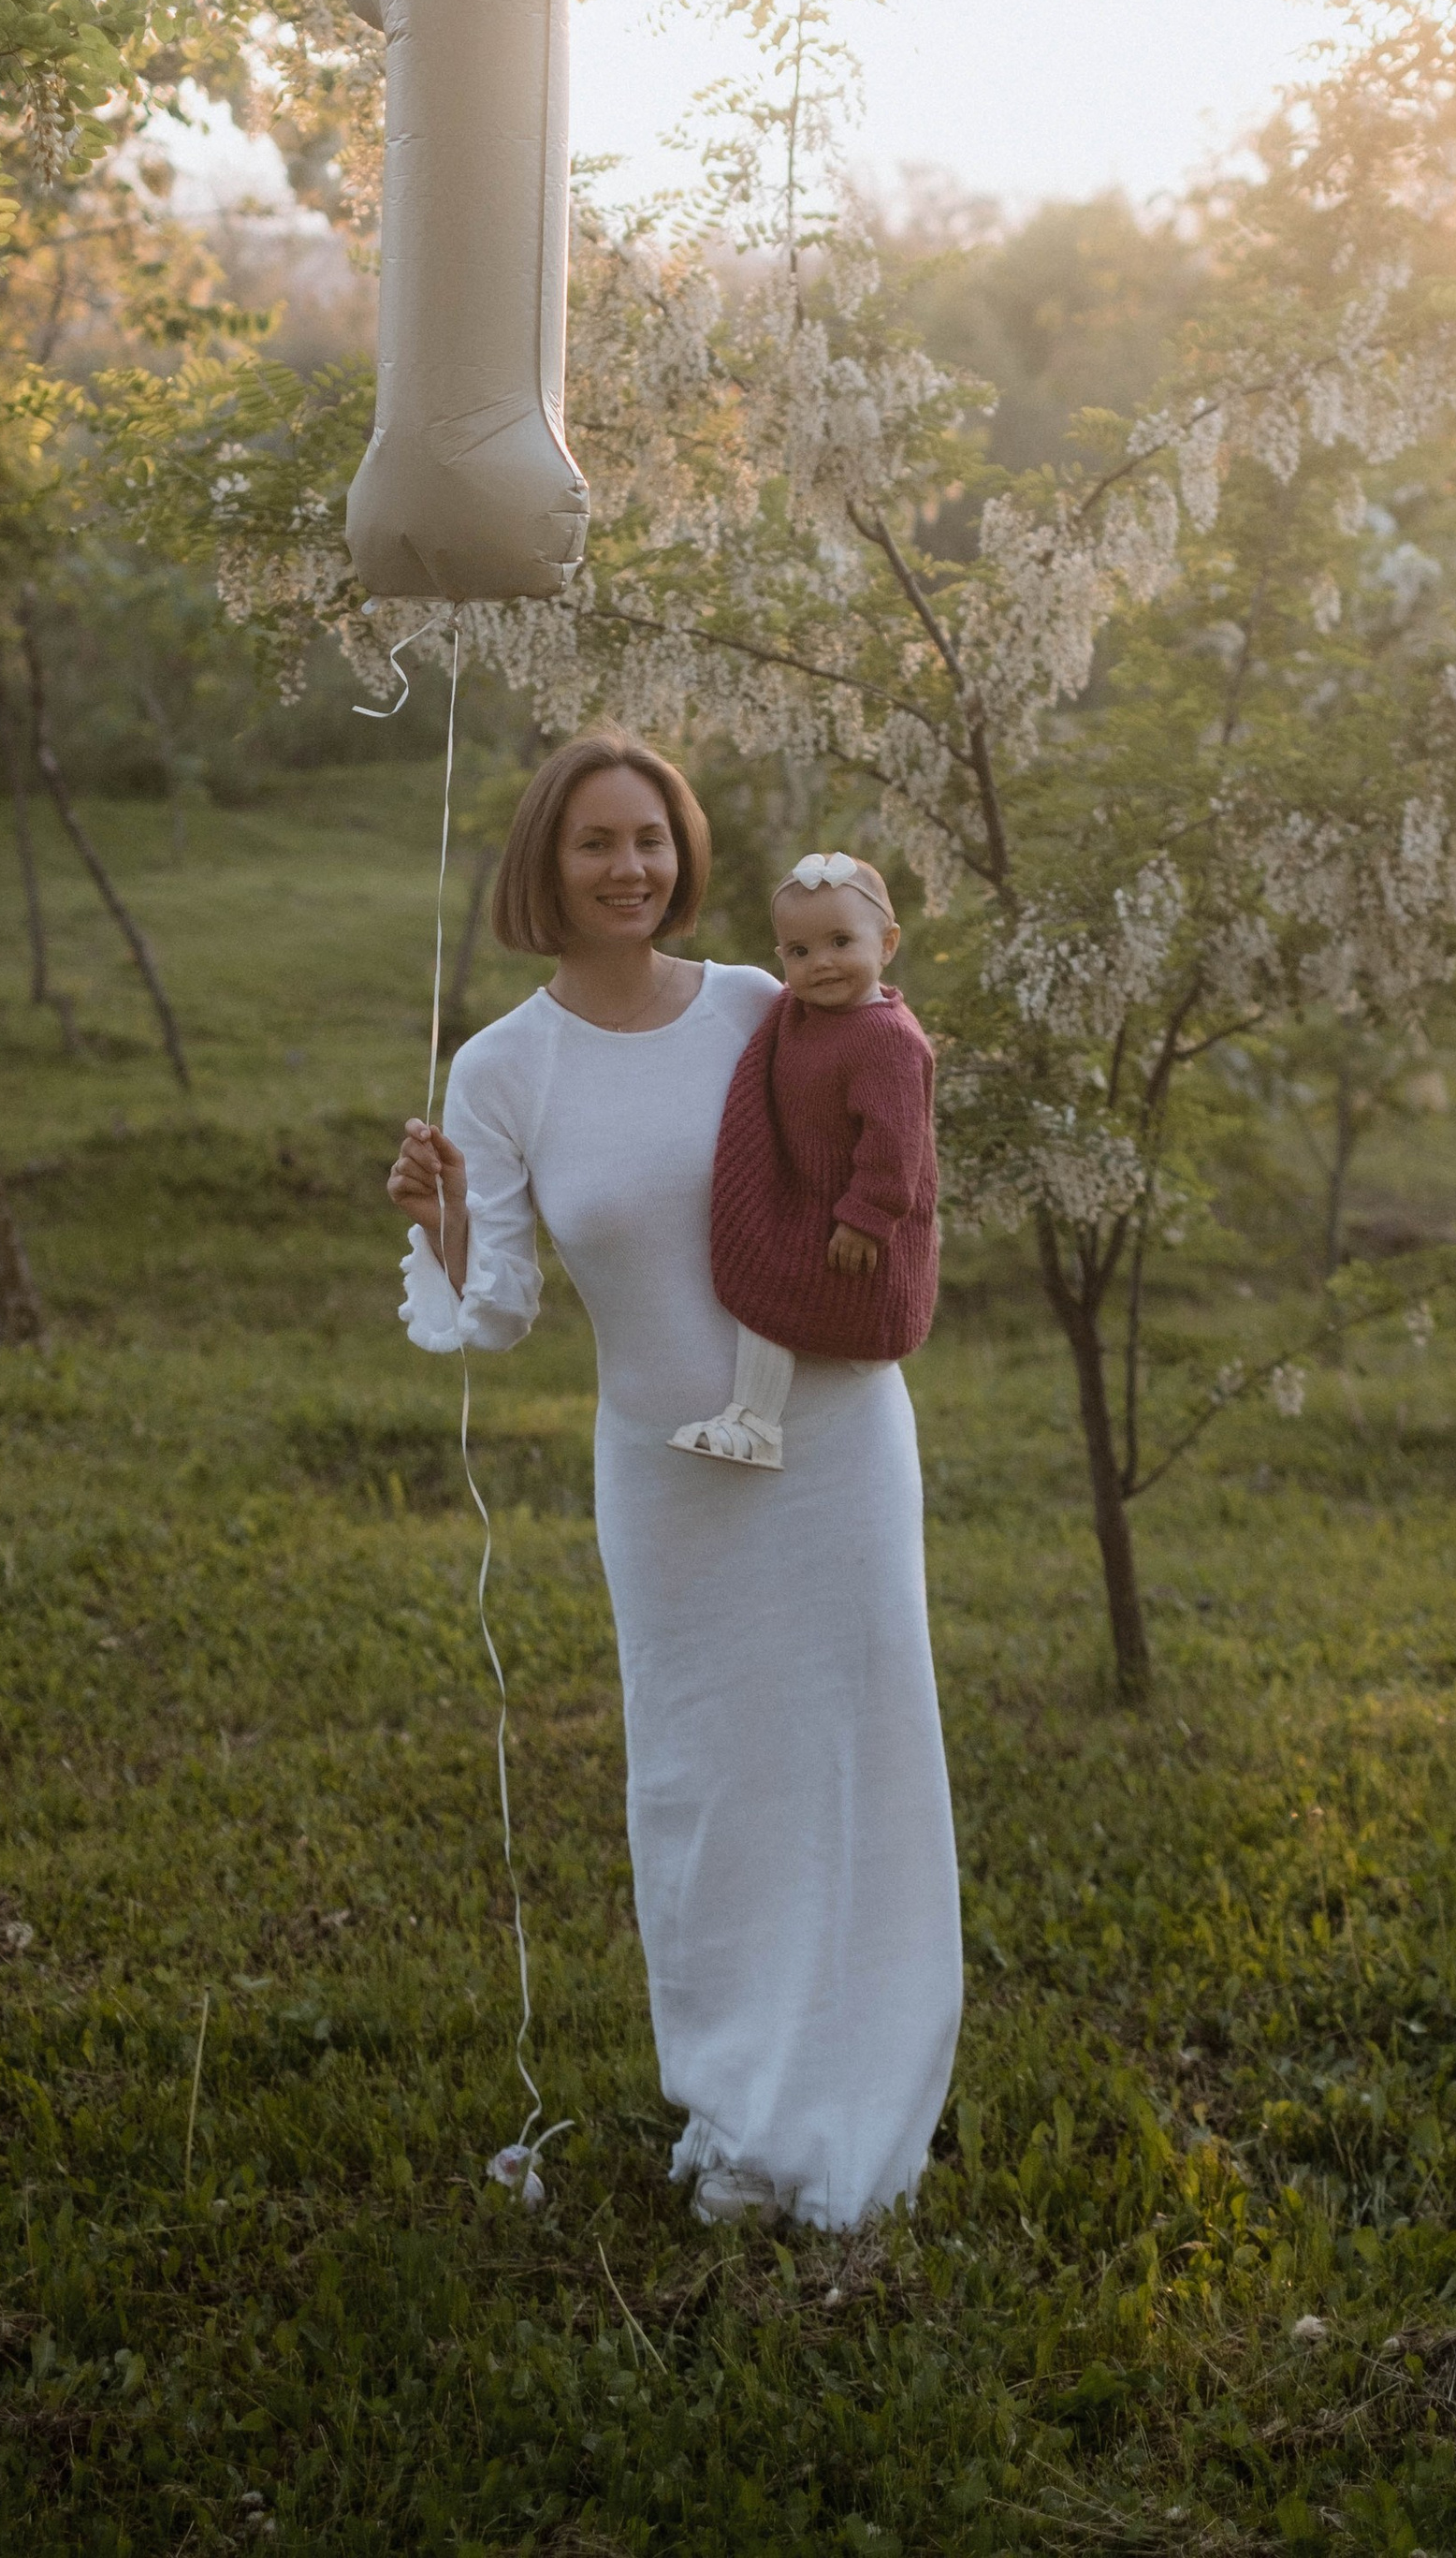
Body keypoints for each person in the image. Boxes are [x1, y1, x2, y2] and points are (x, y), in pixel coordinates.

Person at [387, 733, 963, 2230]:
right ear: (546, 863)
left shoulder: (765, 1004)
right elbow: (498, 1309)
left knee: (854, 1765)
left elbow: (892, 1112)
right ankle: (739, 2106)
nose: (629, 866)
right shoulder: (504, 1066)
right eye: (596, 841)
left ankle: (859, 2109)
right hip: (667, 1481)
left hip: (830, 1444)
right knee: (707, 1790)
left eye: (650, 836)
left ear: (685, 851)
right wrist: (443, 1223)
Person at [677, 852, 939, 1470]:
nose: (820, 962)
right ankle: (756, 1420)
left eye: (841, 942)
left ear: (888, 944)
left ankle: (771, 1416)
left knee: (813, 1307)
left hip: (856, 1219)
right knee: (766, 1292)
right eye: (798, 951)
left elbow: (896, 1144)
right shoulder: (796, 1016)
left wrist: (867, 1217)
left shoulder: (887, 1039)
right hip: (805, 1202)